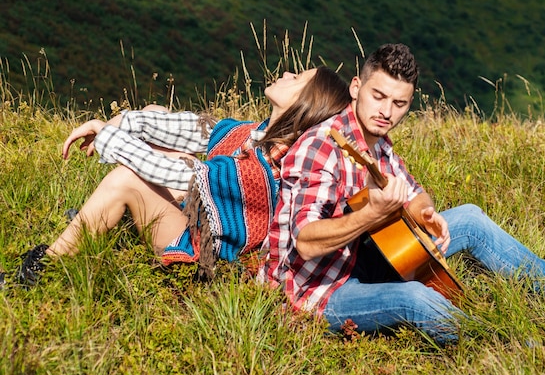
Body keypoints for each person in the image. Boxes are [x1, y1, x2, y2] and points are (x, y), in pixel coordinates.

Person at [258, 44, 545, 345]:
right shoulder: (322, 146)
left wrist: (426, 216)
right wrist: (371, 215)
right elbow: (305, 242)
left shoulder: (376, 141)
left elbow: (414, 192)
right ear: (355, 88)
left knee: (470, 218)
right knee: (415, 298)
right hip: (316, 289)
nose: (386, 112)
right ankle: (515, 342)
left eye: (399, 103)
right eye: (378, 96)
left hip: (360, 259)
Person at [13, 66, 351, 286]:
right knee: (154, 115)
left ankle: (40, 271)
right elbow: (196, 129)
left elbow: (180, 173)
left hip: (206, 257)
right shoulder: (259, 134)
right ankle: (98, 218)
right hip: (199, 216)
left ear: (303, 104)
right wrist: (127, 123)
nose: (289, 73)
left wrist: (106, 134)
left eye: (299, 79)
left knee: (124, 179)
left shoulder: (264, 172)